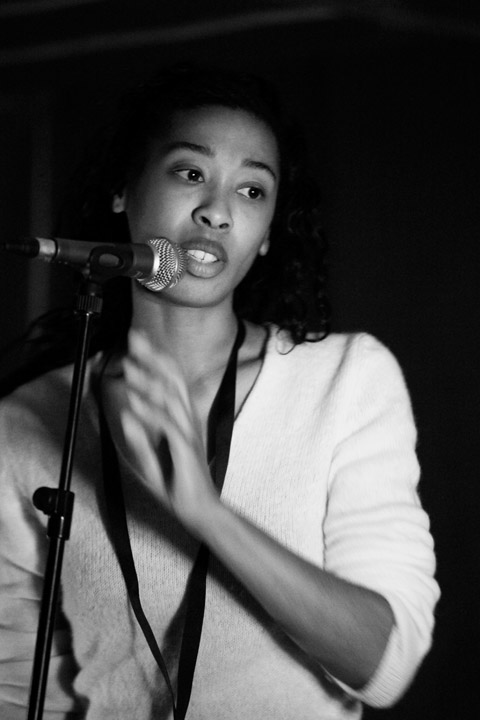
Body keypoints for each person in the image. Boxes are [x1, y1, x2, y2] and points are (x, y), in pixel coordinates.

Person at [0, 64, 439, 720]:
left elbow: (383, 662)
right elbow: (14, 680)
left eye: (253, 190)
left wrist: (206, 513)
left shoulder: (348, 379)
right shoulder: (29, 418)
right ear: (123, 190)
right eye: (190, 173)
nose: (218, 210)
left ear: (265, 239)